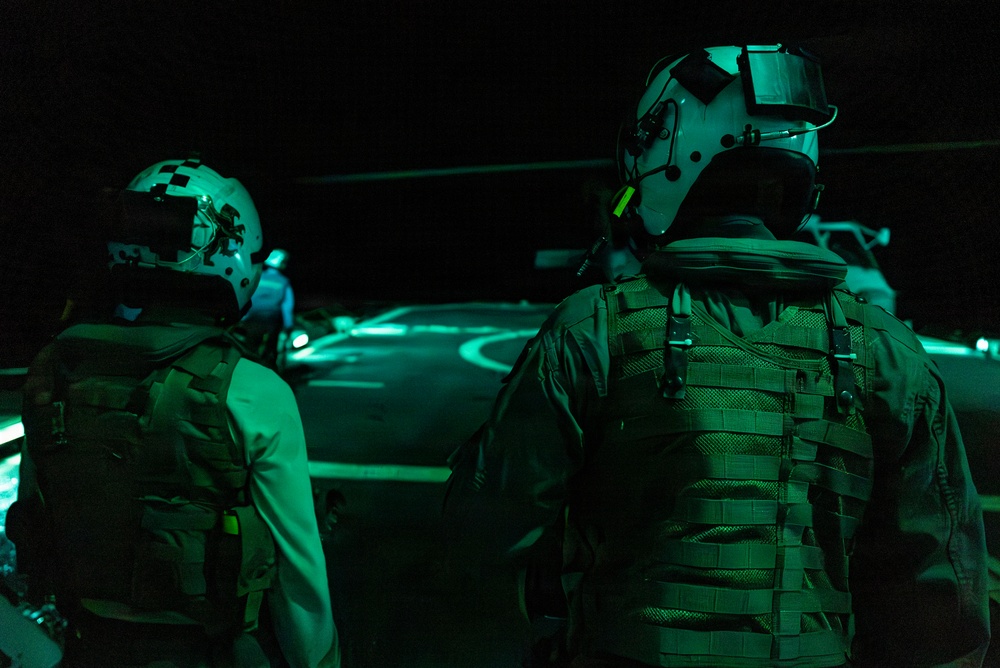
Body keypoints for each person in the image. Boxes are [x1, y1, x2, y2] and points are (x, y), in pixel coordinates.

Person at [443, 45, 989, 667]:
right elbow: (941, 602)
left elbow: (480, 533)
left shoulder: (591, 330)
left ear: (667, 150)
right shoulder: (890, 354)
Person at [8, 157, 339, 667]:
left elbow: (39, 512)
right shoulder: (253, 389)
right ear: (231, 256)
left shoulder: (56, 369)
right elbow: (300, 581)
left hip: (88, 647)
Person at [238, 249, 296, 369]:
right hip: (271, 321)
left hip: (252, 319)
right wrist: (288, 325)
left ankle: (247, 370)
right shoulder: (284, 282)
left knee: (249, 347)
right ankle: (269, 373)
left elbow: (246, 296)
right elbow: (287, 306)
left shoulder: (257, 277)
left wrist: (242, 318)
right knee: (271, 349)